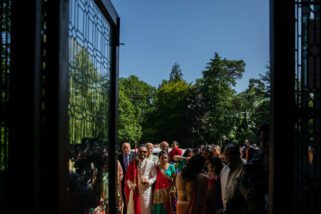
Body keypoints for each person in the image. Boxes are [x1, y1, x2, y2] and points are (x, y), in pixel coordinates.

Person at [124, 145, 157, 214]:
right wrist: (131, 185)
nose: (142, 153)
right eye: (140, 151)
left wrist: (149, 182)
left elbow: (154, 176)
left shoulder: (151, 163)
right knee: (134, 209)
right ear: (138, 152)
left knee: (146, 210)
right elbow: (128, 178)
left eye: (144, 152)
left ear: (147, 152)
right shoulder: (133, 163)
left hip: (146, 190)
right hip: (136, 190)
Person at [220, 144, 245, 214]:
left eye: (231, 154)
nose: (228, 157)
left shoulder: (245, 169)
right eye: (226, 154)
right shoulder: (224, 169)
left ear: (238, 154)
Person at [118, 142, 135, 214]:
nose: (125, 149)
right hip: (122, 180)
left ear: (130, 148)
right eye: (124, 148)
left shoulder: (134, 156)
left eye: (127, 147)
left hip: (132, 179)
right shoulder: (118, 157)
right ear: (121, 149)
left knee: (132, 196)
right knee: (124, 196)